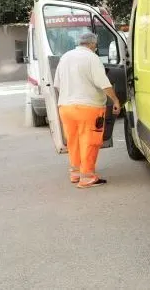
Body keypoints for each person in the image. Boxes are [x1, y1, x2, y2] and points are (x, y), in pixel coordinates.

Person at [54, 32, 121, 188]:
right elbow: (103, 83)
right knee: (90, 142)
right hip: (88, 108)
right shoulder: (92, 58)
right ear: (92, 44)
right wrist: (115, 100)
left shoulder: (65, 57)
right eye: (95, 45)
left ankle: (75, 173)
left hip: (66, 108)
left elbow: (57, 84)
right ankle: (87, 177)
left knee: (74, 141)